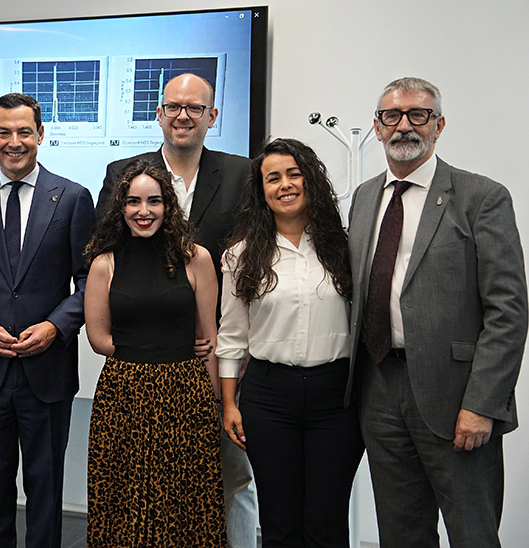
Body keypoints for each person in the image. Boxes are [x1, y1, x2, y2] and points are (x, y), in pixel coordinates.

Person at [348, 77, 527, 548]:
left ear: (439, 125)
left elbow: (508, 311)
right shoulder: (366, 198)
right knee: (401, 535)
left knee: (473, 533)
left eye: (418, 115)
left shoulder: (481, 197)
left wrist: (482, 404)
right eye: (392, 116)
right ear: (377, 126)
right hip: (380, 390)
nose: (404, 126)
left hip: (458, 399)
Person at [95, 72, 257, 547]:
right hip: (148, 360)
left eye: (195, 107)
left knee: (231, 473)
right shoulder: (124, 172)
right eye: (174, 106)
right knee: (145, 489)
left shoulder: (243, 173)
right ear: (159, 113)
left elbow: (252, 258)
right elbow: (107, 253)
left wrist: (233, 350)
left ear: (213, 116)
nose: (183, 115)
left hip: (219, 353)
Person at [0, 93, 95, 548]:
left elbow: (90, 281)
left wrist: (54, 326)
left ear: (41, 134)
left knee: (46, 488)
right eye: (4, 132)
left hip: (47, 370)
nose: (15, 142)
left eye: (24, 131)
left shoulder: (72, 198)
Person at [216, 138, 364, 548]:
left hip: (336, 398)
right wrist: (230, 403)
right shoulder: (240, 256)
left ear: (310, 180)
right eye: (273, 178)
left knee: (327, 521)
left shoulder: (347, 247)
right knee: (279, 522)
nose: (285, 185)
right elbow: (230, 338)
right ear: (261, 191)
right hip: (268, 397)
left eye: (294, 174)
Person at [85, 158, 227, 547]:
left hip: (186, 395)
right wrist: (151, 352)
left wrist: (215, 402)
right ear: (121, 207)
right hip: (123, 396)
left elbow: (209, 337)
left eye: (154, 201)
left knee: (186, 503)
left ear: (169, 206)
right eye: (133, 202)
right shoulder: (104, 263)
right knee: (124, 502)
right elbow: (98, 338)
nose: (143, 211)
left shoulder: (196, 258)